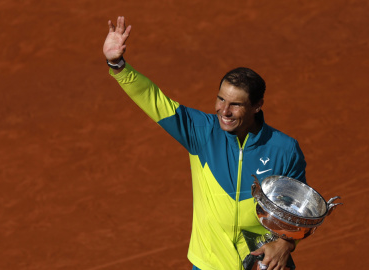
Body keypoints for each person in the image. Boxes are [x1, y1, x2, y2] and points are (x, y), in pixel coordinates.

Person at [103, 16, 307, 270]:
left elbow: (299, 212)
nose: (224, 111)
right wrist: (117, 64)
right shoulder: (201, 132)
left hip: (263, 266)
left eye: (235, 104)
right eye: (221, 99)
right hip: (208, 264)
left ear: (257, 106)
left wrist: (286, 243)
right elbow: (153, 99)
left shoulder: (285, 149)